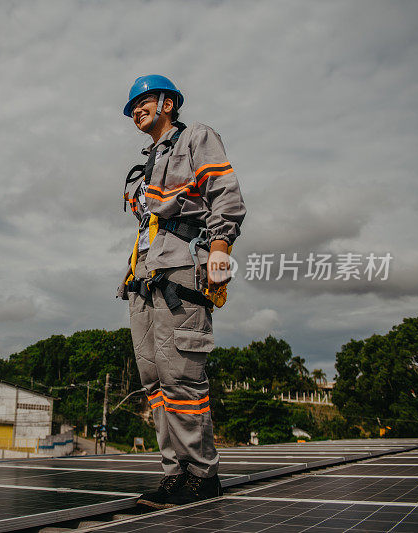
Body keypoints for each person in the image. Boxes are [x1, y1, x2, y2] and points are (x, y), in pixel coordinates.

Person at [117, 75, 245, 507]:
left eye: (144, 101)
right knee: (154, 381)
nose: (137, 110)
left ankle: (201, 475)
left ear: (168, 103)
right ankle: (175, 474)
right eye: (131, 105)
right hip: (144, 277)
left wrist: (220, 250)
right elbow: (146, 222)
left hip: (180, 275)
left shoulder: (196, 138)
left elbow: (225, 193)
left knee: (181, 377)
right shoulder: (149, 161)